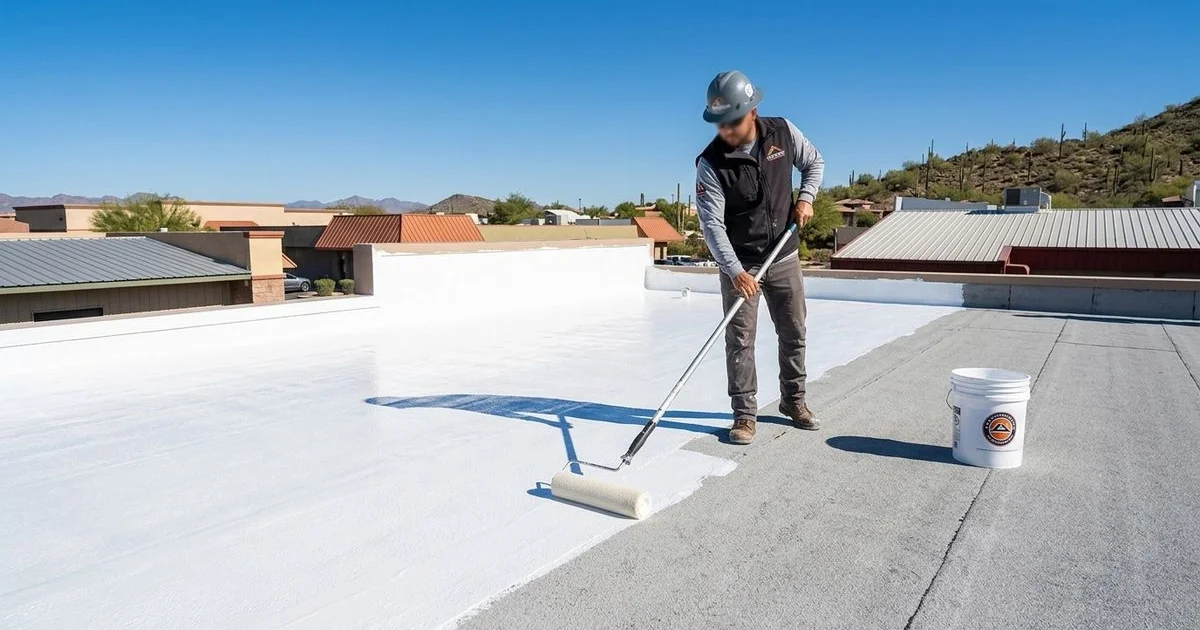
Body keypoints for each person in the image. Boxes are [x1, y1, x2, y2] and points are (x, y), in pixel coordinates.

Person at [694, 70, 825, 445]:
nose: (726, 131)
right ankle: (744, 415)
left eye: (732, 122)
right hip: (740, 261)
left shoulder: (782, 132)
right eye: (719, 123)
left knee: (794, 331)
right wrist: (735, 271)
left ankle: (794, 401)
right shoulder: (710, 163)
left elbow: (814, 162)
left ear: (752, 111)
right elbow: (711, 227)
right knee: (740, 342)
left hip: (783, 254)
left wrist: (806, 197)